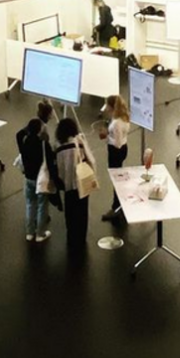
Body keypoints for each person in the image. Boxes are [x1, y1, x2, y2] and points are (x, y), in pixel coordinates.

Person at [53, 117, 96, 253]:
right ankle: (81, 238)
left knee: (70, 212)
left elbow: (58, 168)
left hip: (68, 185)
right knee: (82, 212)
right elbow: (91, 160)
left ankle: (71, 236)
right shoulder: (79, 144)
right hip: (81, 183)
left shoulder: (59, 148)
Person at [16, 117, 54, 243]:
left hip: (28, 177)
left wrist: (27, 129)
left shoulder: (24, 142)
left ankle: (29, 232)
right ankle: (40, 234)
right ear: (39, 130)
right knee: (42, 206)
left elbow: (18, 134)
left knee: (30, 204)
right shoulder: (43, 144)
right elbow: (50, 160)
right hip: (41, 179)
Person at [100, 94, 130, 222]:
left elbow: (117, 143)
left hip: (116, 151)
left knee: (116, 179)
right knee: (117, 178)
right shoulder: (122, 118)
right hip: (122, 149)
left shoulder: (117, 123)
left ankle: (116, 207)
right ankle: (119, 204)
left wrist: (106, 136)